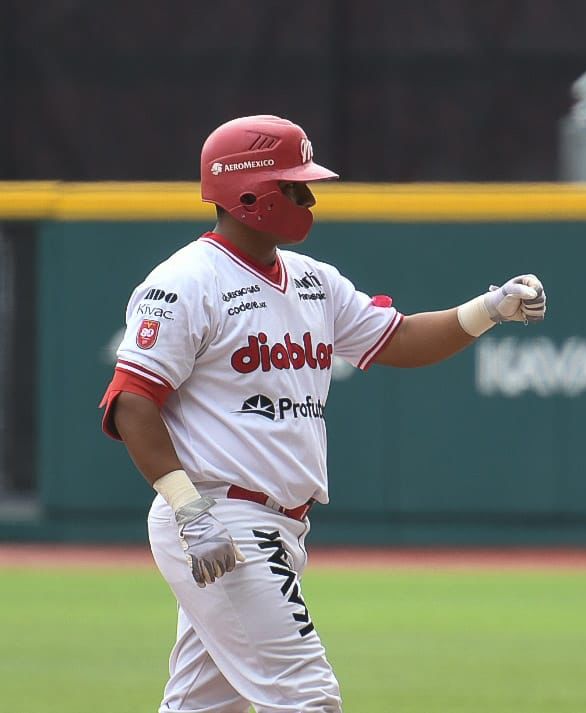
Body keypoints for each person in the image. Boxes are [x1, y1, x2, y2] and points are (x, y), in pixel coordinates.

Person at [99, 114, 546, 712]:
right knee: (307, 697)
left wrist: (489, 308)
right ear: (247, 192)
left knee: (205, 706)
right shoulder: (186, 281)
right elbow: (132, 401)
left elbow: (401, 339)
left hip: (276, 523)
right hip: (220, 517)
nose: (308, 196)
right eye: (293, 184)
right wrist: (189, 511)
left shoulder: (314, 281)